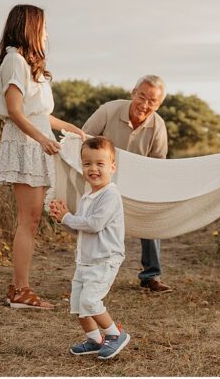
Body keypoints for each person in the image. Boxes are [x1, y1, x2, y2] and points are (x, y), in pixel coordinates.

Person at [0, 4, 85, 309]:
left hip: (37, 141)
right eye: (43, 27)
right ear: (30, 27)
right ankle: (19, 290)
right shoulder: (14, 61)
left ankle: (19, 288)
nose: (47, 33)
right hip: (26, 144)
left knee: (31, 220)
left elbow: (43, 114)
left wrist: (71, 128)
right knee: (28, 220)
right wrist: (42, 139)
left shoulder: (31, 65)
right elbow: (16, 112)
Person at [82, 75, 173, 293]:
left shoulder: (158, 126)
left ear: (158, 105)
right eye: (142, 96)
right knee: (98, 223)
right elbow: (84, 139)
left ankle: (151, 276)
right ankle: (93, 272)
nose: (145, 104)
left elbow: (158, 165)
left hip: (139, 182)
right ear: (133, 92)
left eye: (152, 101)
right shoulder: (108, 110)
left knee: (152, 217)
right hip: (103, 179)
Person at [49, 137, 131, 360]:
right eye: (87, 164)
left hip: (105, 259)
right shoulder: (87, 196)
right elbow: (82, 230)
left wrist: (69, 217)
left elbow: (94, 224)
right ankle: (95, 340)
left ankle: (116, 334)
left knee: (90, 301)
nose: (93, 169)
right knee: (78, 305)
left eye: (100, 164)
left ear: (112, 167)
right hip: (85, 260)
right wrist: (63, 218)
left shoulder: (110, 195)